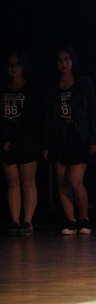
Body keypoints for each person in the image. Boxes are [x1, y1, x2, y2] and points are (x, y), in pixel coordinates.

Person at [44, 46, 96, 236]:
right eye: (60, 60)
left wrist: (94, 139)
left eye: (66, 59)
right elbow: (48, 117)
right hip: (59, 137)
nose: (63, 63)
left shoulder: (84, 84)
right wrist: (46, 144)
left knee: (75, 181)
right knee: (62, 181)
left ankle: (84, 218)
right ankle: (70, 220)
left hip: (79, 136)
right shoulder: (53, 86)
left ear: (72, 61)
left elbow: (93, 112)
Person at [1, 52, 43, 236]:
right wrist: (6, 140)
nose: (13, 68)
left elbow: (33, 118)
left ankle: (27, 221)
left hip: (27, 141)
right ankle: (15, 221)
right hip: (7, 142)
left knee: (27, 181)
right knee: (13, 182)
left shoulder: (31, 89)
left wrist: (19, 140)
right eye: (10, 64)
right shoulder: (4, 88)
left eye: (17, 64)